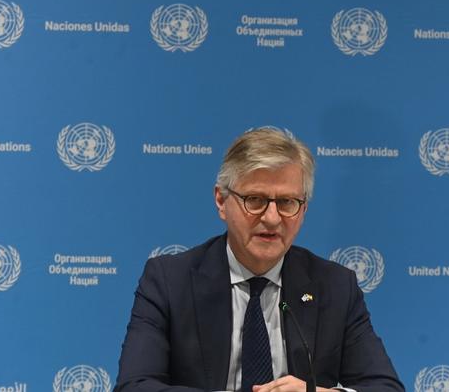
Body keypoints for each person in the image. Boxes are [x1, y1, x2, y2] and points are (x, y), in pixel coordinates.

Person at [114, 127, 404, 392]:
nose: (272, 218)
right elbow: (134, 386)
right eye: (255, 200)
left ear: (303, 209)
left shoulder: (335, 286)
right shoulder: (169, 281)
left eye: (287, 202)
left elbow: (385, 387)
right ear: (221, 201)